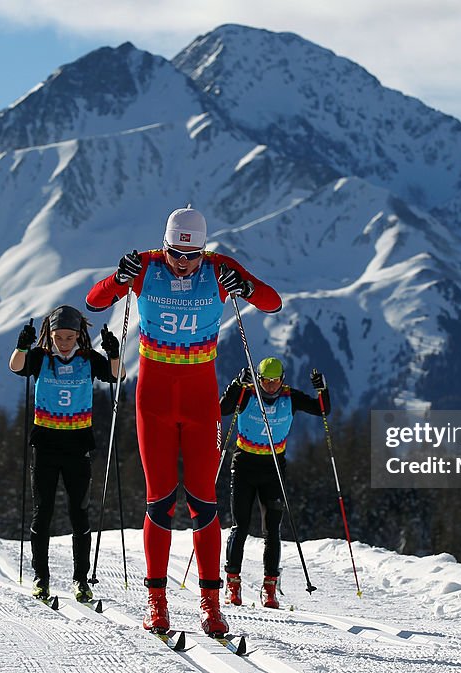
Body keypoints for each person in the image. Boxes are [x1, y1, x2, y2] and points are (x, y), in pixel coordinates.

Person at [85, 207, 281, 636]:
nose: (182, 263)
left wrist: (244, 286)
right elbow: (95, 301)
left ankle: (211, 608)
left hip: (200, 402)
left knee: (203, 503)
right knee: (159, 502)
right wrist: (120, 278)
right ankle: (157, 604)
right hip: (152, 399)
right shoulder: (146, 264)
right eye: (176, 253)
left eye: (191, 256)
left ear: (203, 250)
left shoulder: (219, 268)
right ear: (166, 243)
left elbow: (272, 302)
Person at [9, 305, 121, 603]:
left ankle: (81, 580)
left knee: (79, 514)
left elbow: (116, 377)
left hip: (77, 447)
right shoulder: (41, 358)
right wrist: (22, 345)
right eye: (59, 337)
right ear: (50, 335)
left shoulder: (87, 360)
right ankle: (40, 578)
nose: (64, 343)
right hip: (45, 446)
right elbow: (17, 367)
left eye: (70, 337)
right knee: (42, 513)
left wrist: (113, 354)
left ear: (80, 336)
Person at [220, 357, 330, 609]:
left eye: (275, 381)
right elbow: (223, 409)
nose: (270, 387)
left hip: (273, 468)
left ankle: (270, 587)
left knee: (272, 529)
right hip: (244, 465)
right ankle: (232, 584)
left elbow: (322, 410)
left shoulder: (291, 397)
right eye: (265, 381)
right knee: (242, 526)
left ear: (283, 379)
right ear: (258, 379)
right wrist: (237, 384)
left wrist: (322, 389)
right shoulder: (246, 394)